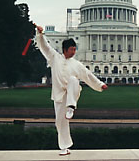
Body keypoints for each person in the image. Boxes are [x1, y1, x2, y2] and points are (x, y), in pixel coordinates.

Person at [35, 25, 108, 155]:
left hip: (72, 93)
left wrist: (100, 84)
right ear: (65, 49)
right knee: (60, 122)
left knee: (74, 80)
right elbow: (45, 47)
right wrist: (40, 34)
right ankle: (64, 147)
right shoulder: (54, 58)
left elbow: (88, 75)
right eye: (72, 49)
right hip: (59, 95)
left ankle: (71, 107)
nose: (74, 51)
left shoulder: (77, 64)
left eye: (75, 49)